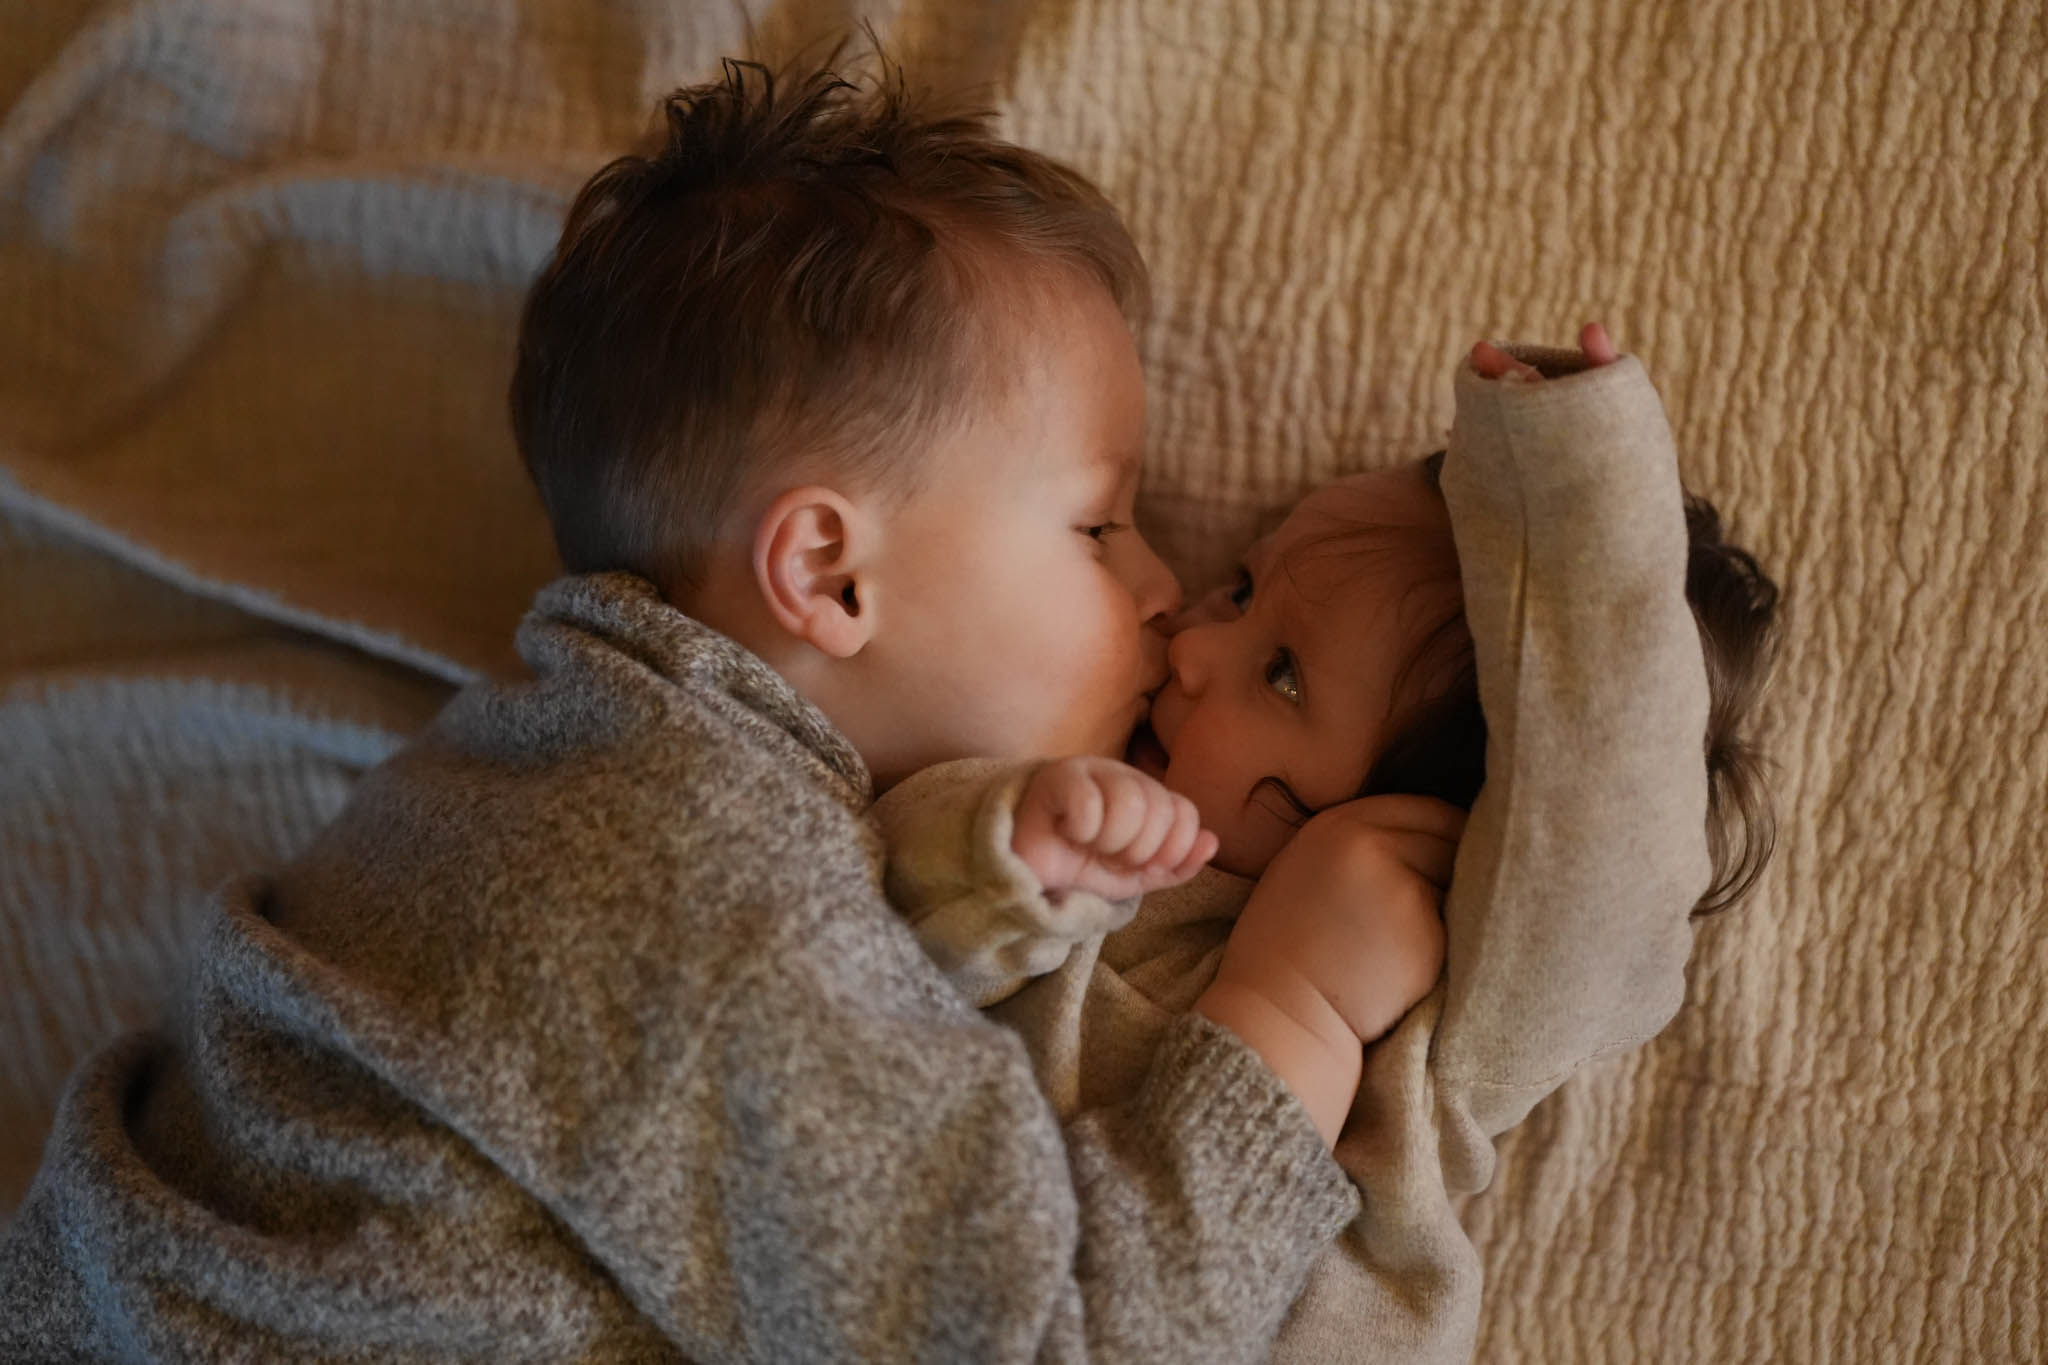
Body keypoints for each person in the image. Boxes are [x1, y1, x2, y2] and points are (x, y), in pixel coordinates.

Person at [0, 52, 1452, 1362]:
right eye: (1098, 528)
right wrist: (1293, 1010)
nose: (1166, 591)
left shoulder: (530, 764)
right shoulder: (706, 884)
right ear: (827, 573)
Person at [873, 324, 1783, 1361]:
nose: (1194, 648)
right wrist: (1013, 854)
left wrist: (1577, 487)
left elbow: (1606, 831)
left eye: (1284, 676)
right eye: (1244, 590)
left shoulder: (1429, 1024)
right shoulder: (1064, 792)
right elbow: (866, 928)